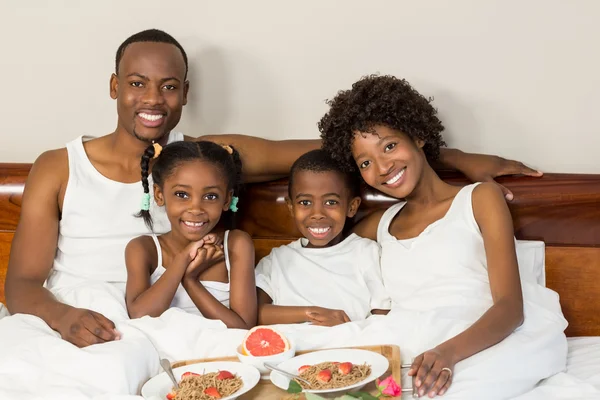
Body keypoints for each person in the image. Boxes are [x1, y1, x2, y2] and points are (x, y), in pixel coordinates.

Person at [5, 28, 541, 348]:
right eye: (137, 84)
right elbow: (22, 285)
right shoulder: (60, 165)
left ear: (185, 94)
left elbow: (340, 148)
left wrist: (454, 156)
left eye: (169, 86)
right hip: (76, 315)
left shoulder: (208, 158)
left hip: (174, 321)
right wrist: (62, 316)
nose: (153, 99)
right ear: (115, 87)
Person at [319, 74, 567, 399]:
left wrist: (447, 353)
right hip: (411, 340)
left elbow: (510, 307)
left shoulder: (479, 200)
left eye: (390, 146)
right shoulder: (379, 225)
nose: (382, 167)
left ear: (418, 136)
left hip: (482, 337)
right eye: (365, 162)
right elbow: (322, 252)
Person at [124, 140, 256, 329]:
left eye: (210, 196)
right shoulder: (143, 249)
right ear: (159, 195)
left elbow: (242, 328)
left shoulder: (236, 244)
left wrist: (190, 281)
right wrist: (184, 259)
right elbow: (139, 316)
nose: (196, 209)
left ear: (226, 200)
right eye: (182, 194)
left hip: (218, 352)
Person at [255, 149, 390, 326]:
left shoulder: (366, 252)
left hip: (349, 347)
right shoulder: (276, 260)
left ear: (351, 206)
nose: (317, 214)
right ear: (290, 206)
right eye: (305, 202)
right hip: (291, 350)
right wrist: (311, 314)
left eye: (331, 202)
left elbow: (383, 317)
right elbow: (254, 314)